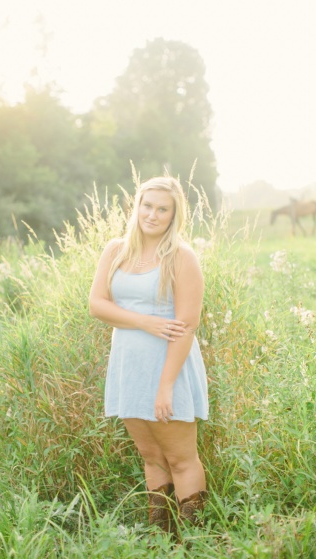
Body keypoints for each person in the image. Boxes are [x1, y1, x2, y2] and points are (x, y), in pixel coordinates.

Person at [89, 176, 209, 539]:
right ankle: (160, 539)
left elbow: (186, 326)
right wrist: (144, 322)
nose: (152, 215)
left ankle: (192, 542)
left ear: (174, 216)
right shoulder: (115, 250)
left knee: (180, 458)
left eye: (162, 209)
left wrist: (166, 387)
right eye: (147, 205)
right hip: (128, 367)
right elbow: (97, 305)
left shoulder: (180, 257)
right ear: (136, 206)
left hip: (167, 368)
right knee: (151, 457)